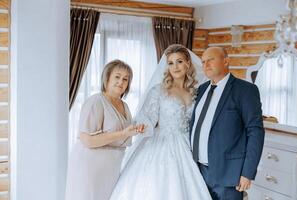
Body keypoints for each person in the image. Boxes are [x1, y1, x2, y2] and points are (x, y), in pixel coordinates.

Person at [109, 44, 212, 200]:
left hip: (187, 145)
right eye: (170, 63)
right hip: (160, 144)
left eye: (179, 61)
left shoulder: (195, 92)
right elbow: (146, 116)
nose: (175, 67)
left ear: (188, 64)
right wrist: (143, 125)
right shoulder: (159, 90)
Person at [190, 47, 265, 200]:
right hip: (197, 172)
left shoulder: (245, 90)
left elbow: (255, 132)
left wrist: (247, 173)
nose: (206, 65)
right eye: (203, 61)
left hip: (229, 174)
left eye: (211, 59)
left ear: (226, 61)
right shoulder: (201, 90)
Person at [65, 60, 145, 200]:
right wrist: (123, 133)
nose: (121, 82)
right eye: (117, 77)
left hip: (111, 167)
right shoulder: (96, 101)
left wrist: (136, 130)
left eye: (125, 79)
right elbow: (87, 141)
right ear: (107, 77)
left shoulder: (125, 106)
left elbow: (124, 136)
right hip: (90, 166)